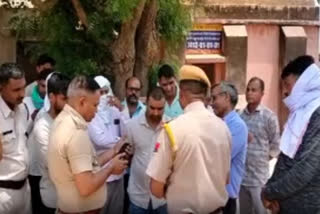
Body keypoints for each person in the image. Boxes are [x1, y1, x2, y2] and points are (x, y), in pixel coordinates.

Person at [147, 65, 231, 214]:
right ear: (204, 95)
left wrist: (172, 192)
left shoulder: (172, 130)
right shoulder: (223, 128)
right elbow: (226, 180)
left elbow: (155, 187)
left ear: (182, 94)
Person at [48, 75, 128, 214]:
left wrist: (114, 151)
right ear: (82, 102)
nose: (97, 111)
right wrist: (111, 168)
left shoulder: (62, 121)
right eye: (95, 105)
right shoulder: (76, 134)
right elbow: (86, 187)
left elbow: (86, 166)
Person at [261, 55, 320, 214]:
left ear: (303, 81)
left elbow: (306, 168)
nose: (286, 91)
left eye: (287, 84)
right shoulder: (301, 111)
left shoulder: (317, 111)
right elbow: (285, 158)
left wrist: (270, 192)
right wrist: (270, 188)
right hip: (285, 204)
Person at [239, 77, 280, 214]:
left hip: (259, 180)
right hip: (242, 179)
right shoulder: (240, 116)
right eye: (248, 89)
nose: (249, 93)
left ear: (262, 93)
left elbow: (276, 145)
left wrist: (262, 159)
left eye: (254, 90)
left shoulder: (269, 117)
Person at [32, 73, 70, 214]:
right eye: (64, 99)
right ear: (52, 97)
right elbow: (54, 166)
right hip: (53, 200)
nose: (68, 104)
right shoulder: (42, 126)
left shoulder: (70, 120)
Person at [88, 76, 126, 214]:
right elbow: (100, 140)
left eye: (106, 91)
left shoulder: (115, 111)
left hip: (119, 174)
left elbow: (128, 131)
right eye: (101, 93)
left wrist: (121, 109)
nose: (105, 96)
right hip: (101, 177)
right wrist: (120, 141)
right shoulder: (91, 114)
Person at [127, 87, 168, 214]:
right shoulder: (133, 125)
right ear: (146, 104)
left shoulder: (171, 126)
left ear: (165, 105)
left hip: (163, 200)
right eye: (152, 108)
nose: (155, 113)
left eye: (160, 109)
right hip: (138, 198)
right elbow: (129, 154)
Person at [211, 82, 248, 214]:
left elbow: (218, 157)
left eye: (214, 98)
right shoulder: (217, 123)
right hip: (213, 197)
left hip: (226, 200)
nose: (211, 103)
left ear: (226, 97)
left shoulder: (238, 126)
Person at [0, 63, 31, 214]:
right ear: (1, 88)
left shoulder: (24, 109)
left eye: (24, 87)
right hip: (3, 195)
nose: (22, 94)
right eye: (16, 90)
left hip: (25, 191)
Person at [24, 68, 53, 214]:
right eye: (42, 86)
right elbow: (21, 134)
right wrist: (32, 120)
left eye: (48, 88)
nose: (44, 91)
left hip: (49, 168)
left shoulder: (56, 108)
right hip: (32, 165)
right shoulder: (26, 103)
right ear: (37, 84)